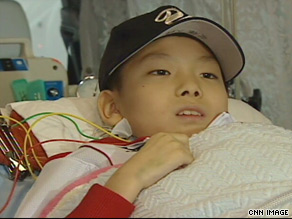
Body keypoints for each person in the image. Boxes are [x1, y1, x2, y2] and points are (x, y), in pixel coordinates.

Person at [15, 5, 245, 218]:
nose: (192, 87)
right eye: (162, 71)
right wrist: (130, 179)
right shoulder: (84, 166)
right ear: (113, 107)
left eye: (208, 75)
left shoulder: (252, 141)